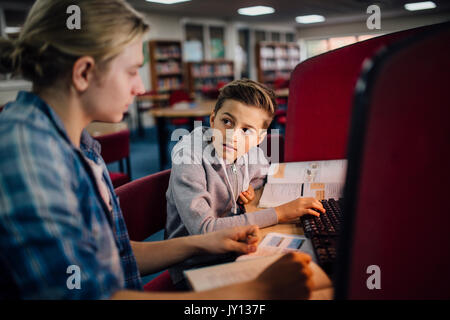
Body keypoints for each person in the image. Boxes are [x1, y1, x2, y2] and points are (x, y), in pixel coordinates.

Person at [0, 0, 314, 300]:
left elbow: (115, 256)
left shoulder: (79, 146)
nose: (139, 87)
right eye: (133, 71)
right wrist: (256, 293)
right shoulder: (30, 155)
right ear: (83, 73)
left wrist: (205, 241)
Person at [165, 79, 325, 286]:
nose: (232, 136)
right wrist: (280, 213)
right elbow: (204, 231)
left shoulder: (250, 151)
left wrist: (249, 186)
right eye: (227, 122)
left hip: (233, 248)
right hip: (196, 264)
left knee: (306, 275)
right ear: (213, 119)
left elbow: (263, 175)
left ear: (259, 138)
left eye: (246, 130)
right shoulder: (188, 157)